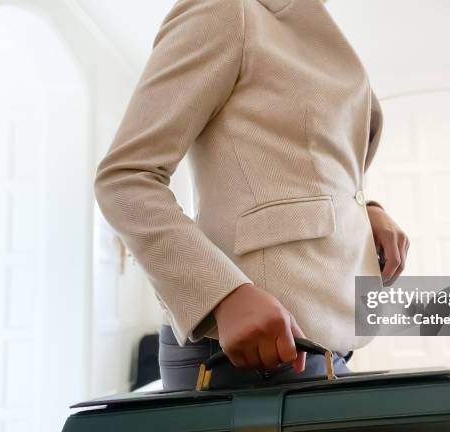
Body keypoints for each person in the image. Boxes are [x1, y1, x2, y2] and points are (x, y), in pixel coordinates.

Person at [94, 0, 409, 390]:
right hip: (245, 352)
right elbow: (126, 178)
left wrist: (368, 212)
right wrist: (223, 295)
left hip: (328, 342)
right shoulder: (226, 9)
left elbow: (315, 168)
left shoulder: (314, 23)